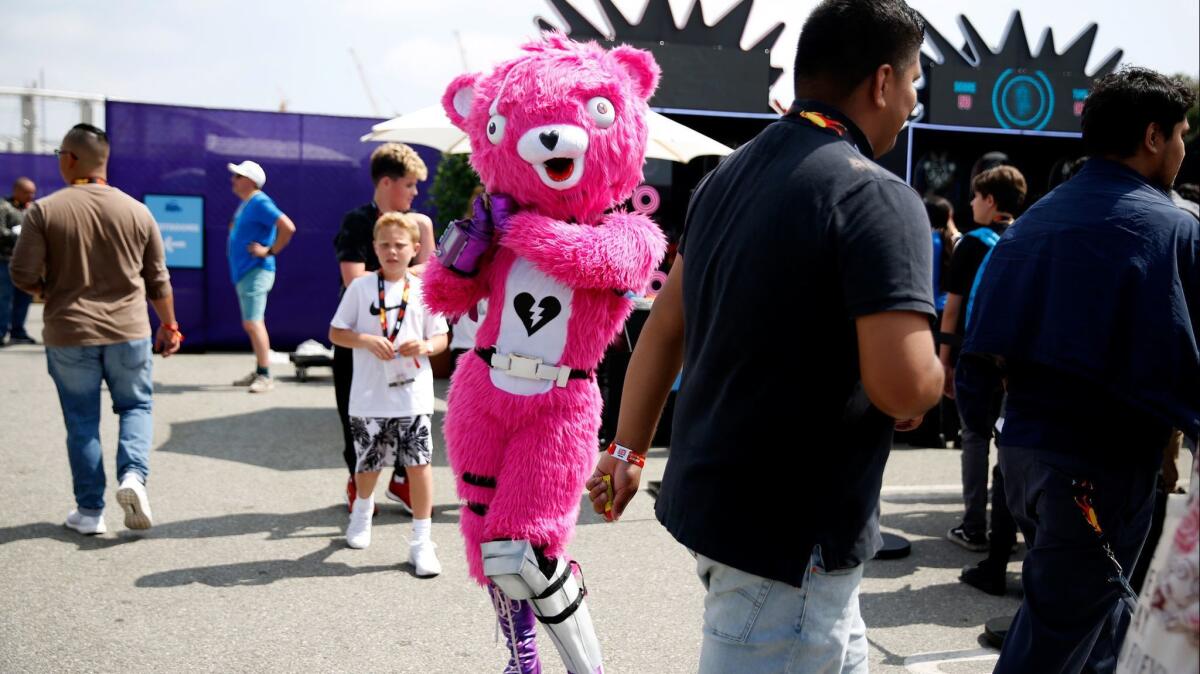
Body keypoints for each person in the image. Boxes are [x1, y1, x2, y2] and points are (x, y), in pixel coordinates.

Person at [586, 1, 943, 670]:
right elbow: (903, 387)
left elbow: (665, 327)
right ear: (883, 81)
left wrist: (628, 452)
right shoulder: (877, 195)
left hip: (725, 513)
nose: (914, 101)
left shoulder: (727, 176)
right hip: (792, 541)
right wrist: (928, 375)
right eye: (915, 81)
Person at [963, 67, 1198, 673]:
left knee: (1099, 623)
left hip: (1023, 458)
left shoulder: (1030, 224)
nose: (1182, 147)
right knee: (1055, 636)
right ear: (1153, 136)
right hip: (1098, 471)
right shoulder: (1172, 228)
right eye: (1181, 133)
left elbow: (980, 351)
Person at [10, 124, 182, 534]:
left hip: (69, 332)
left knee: (82, 421)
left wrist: (49, 289)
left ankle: (89, 513)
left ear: (70, 158)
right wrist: (170, 325)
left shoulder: (44, 210)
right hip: (129, 330)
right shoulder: (137, 211)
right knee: (136, 407)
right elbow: (158, 279)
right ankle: (133, 478)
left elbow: (21, 272)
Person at [329, 212, 448, 576]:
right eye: (385, 245)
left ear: (415, 249)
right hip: (369, 394)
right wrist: (365, 339)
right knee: (369, 464)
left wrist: (426, 345)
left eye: (400, 245)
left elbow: (442, 337)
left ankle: (421, 542)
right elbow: (336, 332)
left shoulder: (424, 290)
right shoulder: (360, 288)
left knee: (419, 464)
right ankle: (361, 513)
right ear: (374, 249)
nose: (392, 251)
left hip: (413, 394)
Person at [333, 142, 434, 512]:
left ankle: (403, 483)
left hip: (408, 350)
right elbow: (354, 278)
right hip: (362, 343)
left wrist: (414, 263)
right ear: (387, 183)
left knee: (412, 422)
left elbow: (435, 278)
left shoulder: (418, 225)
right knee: (357, 419)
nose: (415, 192)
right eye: (409, 184)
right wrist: (405, 271)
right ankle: (358, 486)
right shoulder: (358, 222)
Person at [938, 164, 1027, 550]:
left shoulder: (971, 244)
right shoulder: (1027, 236)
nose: (972, 203)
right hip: (1015, 360)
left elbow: (953, 308)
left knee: (974, 438)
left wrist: (943, 359)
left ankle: (973, 525)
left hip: (975, 357)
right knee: (1009, 442)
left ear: (990, 200)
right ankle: (1009, 525)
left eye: (975, 197)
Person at [227, 160, 296, 393]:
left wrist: (269, 251)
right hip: (246, 271)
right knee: (252, 323)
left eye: (238, 176)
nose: (233, 180)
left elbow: (288, 227)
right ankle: (259, 370)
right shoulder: (247, 204)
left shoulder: (260, 202)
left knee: (254, 323)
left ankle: (265, 376)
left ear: (250, 181)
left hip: (256, 271)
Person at [1, 177, 37, 345]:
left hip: (27, 263)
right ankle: (1, 333)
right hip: (5, 261)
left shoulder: (32, 209)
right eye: (27, 192)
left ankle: (18, 332)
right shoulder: (4, 207)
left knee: (24, 298)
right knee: (4, 298)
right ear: (16, 191)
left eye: (33, 192)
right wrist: (16, 234)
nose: (31, 195)